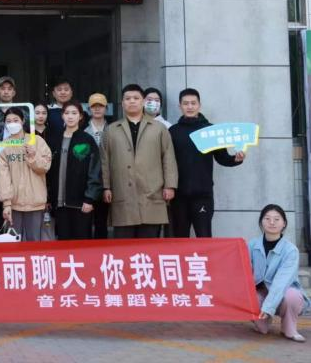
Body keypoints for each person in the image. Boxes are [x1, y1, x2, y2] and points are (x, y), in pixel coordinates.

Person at [101, 84, 178, 239]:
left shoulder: (159, 128)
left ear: (143, 101)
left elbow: (168, 157)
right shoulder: (111, 130)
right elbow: (105, 160)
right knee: (124, 244)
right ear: (122, 103)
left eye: (136, 98)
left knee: (149, 244)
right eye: (127, 98)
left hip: (152, 192)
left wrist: (170, 185)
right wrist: (106, 187)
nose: (132, 101)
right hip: (122, 193)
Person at [168, 88, 244, 238]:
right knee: (179, 238)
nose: (190, 106)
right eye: (186, 103)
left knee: (204, 237)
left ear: (199, 105)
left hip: (203, 195)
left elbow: (222, 158)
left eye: (193, 103)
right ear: (180, 106)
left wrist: (235, 159)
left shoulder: (210, 130)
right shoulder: (173, 131)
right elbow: (166, 161)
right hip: (178, 196)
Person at [248, 204, 310, 342]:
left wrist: (268, 307)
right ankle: (261, 324)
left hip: (284, 292)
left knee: (292, 296)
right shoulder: (252, 245)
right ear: (261, 222)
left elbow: (282, 281)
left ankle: (289, 329)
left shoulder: (290, 250)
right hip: (260, 292)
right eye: (267, 218)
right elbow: (243, 269)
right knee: (250, 301)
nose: (272, 222)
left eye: (277, 219)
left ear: (284, 224)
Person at [45, 102, 102, 240]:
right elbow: (48, 171)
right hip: (59, 202)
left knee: (82, 242)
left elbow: (95, 170)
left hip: (81, 203)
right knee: (63, 241)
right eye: (67, 113)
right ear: (62, 116)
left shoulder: (86, 139)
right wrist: (48, 197)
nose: (70, 116)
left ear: (80, 116)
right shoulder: (54, 139)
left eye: (74, 113)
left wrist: (89, 198)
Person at [0, 107, 52, 241]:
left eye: (16, 120)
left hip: (35, 203)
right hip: (14, 204)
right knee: (14, 244)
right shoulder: (3, 146)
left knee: (34, 243)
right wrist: (7, 204)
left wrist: (33, 156)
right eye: (8, 121)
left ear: (23, 121)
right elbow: (3, 177)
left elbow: (45, 167)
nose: (12, 124)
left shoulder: (37, 141)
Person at [84, 93, 111, 240]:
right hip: (88, 183)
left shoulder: (113, 129)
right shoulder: (83, 130)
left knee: (103, 222)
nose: (97, 109)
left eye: (100, 106)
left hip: (108, 181)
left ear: (106, 108)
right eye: (94, 106)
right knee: (86, 222)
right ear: (89, 109)